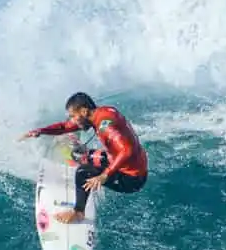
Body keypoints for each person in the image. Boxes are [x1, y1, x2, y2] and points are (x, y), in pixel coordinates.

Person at [19, 92, 148, 224]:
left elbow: (127, 150)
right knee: (80, 156)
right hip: (132, 162)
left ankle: (78, 212)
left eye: (73, 116)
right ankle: (92, 173)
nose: (72, 120)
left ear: (84, 111)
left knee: (82, 172)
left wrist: (104, 175)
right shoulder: (102, 113)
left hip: (131, 179)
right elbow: (65, 127)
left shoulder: (105, 127)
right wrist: (40, 131)